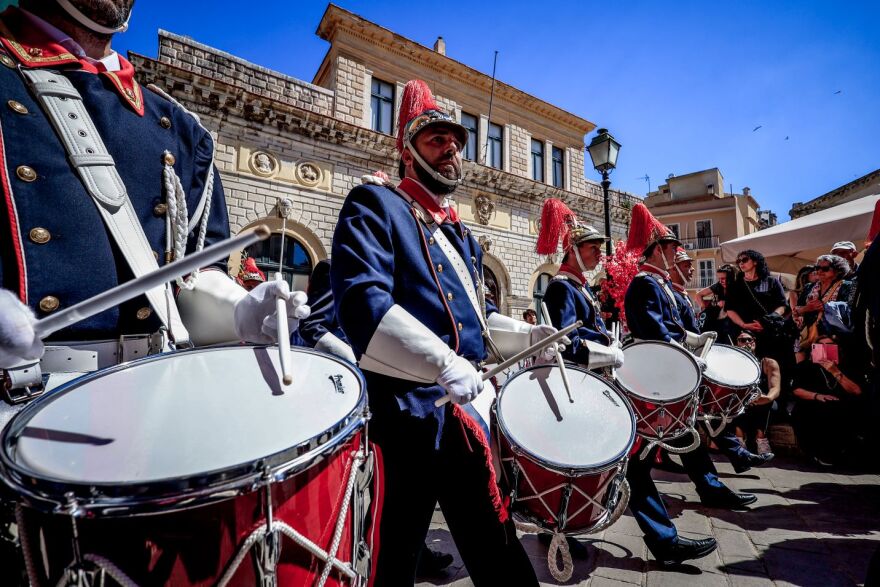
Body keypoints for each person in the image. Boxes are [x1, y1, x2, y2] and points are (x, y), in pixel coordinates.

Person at [0, 2, 309, 584]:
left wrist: (241, 310)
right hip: (17, 426)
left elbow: (192, 276)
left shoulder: (178, 126)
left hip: (151, 420)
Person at [330, 80, 557, 585]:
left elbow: (481, 318)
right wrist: (442, 363)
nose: (450, 149)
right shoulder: (375, 204)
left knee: (496, 543)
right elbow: (363, 303)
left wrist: (533, 335)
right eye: (436, 140)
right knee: (393, 554)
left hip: (463, 416)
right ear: (407, 152)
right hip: (404, 416)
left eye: (455, 142)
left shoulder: (460, 235)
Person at [538, 198, 717, 566]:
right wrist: (608, 353)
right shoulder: (561, 288)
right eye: (591, 247)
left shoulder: (579, 287)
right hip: (581, 386)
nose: (599, 255)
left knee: (614, 464)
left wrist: (610, 347)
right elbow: (565, 343)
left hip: (595, 385)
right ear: (572, 250)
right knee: (619, 463)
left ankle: (558, 528)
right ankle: (662, 541)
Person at [298, 258, 455, 576]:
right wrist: (355, 362)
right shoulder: (337, 268)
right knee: (363, 485)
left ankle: (413, 552)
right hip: (351, 397)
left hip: (386, 396)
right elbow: (313, 325)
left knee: (399, 489)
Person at [622, 205, 758, 510]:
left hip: (667, 371)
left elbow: (671, 327)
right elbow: (654, 331)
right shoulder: (645, 283)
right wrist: (684, 346)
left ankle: (710, 489)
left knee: (684, 433)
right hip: (656, 373)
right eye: (671, 247)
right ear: (656, 250)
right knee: (647, 447)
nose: (676, 252)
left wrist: (692, 338)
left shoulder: (660, 284)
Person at [667, 248, 772, 474]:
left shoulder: (679, 293)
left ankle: (736, 459)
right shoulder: (670, 294)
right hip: (682, 363)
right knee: (693, 419)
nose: (692, 268)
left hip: (693, 360)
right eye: (686, 264)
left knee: (704, 413)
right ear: (672, 267)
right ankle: (716, 474)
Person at [791, 336, 865, 466]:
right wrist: (817, 396)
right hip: (814, 404)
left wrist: (835, 372)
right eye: (821, 345)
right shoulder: (806, 367)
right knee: (808, 412)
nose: (825, 348)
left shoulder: (847, 366)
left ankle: (842, 452)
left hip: (841, 406)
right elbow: (796, 390)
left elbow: (857, 391)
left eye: (829, 345)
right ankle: (818, 453)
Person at [724, 249, 793, 378]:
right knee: (746, 365)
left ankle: (773, 394)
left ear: (755, 262)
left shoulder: (772, 282)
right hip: (744, 334)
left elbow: (782, 305)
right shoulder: (735, 285)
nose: (741, 263)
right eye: (738, 261)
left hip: (769, 332)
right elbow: (729, 309)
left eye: (744, 260)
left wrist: (768, 320)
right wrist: (744, 325)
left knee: (773, 366)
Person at [792, 254, 854, 361]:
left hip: (829, 338)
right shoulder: (809, 287)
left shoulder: (847, 286)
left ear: (838, 270)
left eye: (825, 268)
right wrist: (808, 308)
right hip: (806, 335)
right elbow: (796, 311)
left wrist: (827, 308)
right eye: (817, 268)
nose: (819, 271)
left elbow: (849, 312)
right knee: (802, 370)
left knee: (823, 370)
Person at [731, 332, 781, 456]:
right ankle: (739, 437)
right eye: (742, 340)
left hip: (762, 400)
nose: (747, 343)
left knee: (770, 403)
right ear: (737, 344)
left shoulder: (768, 363)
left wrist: (766, 398)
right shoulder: (732, 363)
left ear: (754, 341)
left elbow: (775, 389)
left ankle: (761, 437)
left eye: (749, 339)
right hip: (742, 400)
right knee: (734, 403)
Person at [696, 264, 736, 344]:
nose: (721, 281)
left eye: (723, 278)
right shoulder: (718, 286)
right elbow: (698, 295)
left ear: (731, 277)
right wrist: (704, 308)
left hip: (731, 324)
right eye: (719, 278)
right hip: (714, 322)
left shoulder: (738, 287)